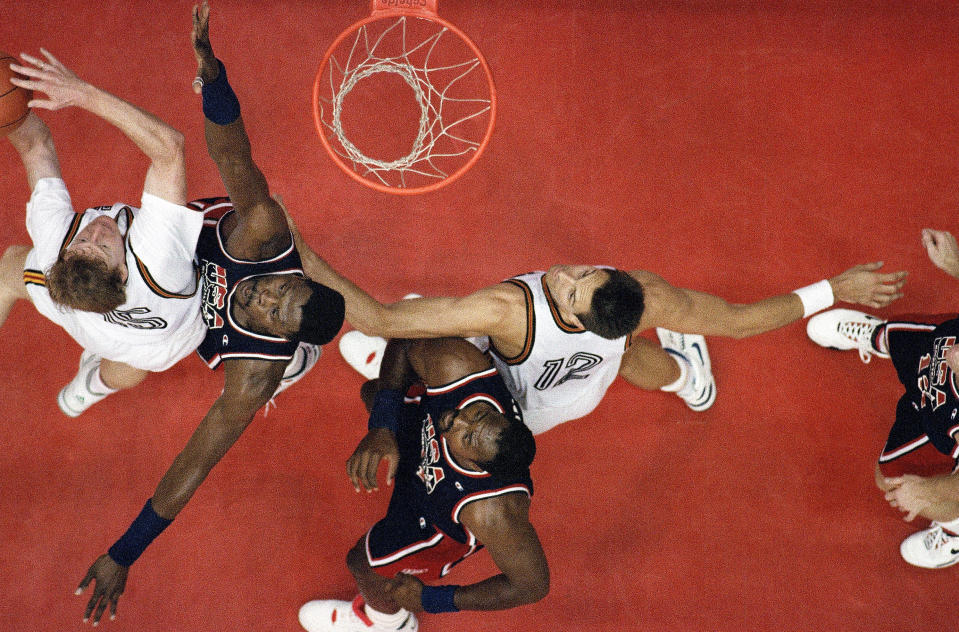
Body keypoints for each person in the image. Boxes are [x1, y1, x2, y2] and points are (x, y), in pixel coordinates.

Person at [73, 3, 345, 625]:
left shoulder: (253, 373)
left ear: (276, 334)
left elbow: (197, 460)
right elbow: (235, 159)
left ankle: (301, 361)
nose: (264, 298)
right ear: (290, 272)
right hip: (173, 247)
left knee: (140, 361)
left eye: (276, 313)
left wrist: (125, 553)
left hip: (198, 326)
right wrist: (214, 78)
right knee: (99, 265)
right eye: (281, 290)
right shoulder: (263, 233)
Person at [291, 223, 907, 434]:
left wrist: (298, 250)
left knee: (417, 317)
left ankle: (688, 379)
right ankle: (691, 381)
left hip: (508, 394)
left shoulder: (508, 308)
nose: (563, 274)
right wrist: (834, 288)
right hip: (575, 389)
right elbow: (739, 322)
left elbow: (376, 316)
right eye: (582, 273)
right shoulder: (642, 298)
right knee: (624, 358)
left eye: (570, 289)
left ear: (583, 311)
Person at [1, 50, 207, 417]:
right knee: (132, 365)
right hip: (167, 338)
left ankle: (89, 387)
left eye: (83, 240)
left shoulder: (54, 246)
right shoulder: (156, 262)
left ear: (63, 257)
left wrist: (7, 111)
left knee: (9, 268)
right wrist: (82, 93)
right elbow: (169, 149)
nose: (96, 230)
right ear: (123, 271)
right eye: (101, 245)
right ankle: (90, 387)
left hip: (87, 320)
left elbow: (33, 144)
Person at [298, 336, 548, 632]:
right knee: (375, 392)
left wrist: (431, 599)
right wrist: (381, 426)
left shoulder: (491, 512)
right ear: (495, 411)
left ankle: (388, 623)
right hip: (422, 436)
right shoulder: (460, 367)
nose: (457, 420)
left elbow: (531, 586)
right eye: (477, 414)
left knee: (363, 563)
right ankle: (415, 375)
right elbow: (404, 342)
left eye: (466, 438)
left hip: (433, 518)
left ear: (481, 469)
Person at [807, 228, 959, 569]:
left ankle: (955, 531)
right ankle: (877, 337)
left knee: (889, 478)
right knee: (906, 334)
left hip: (933, 418)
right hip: (930, 354)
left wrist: (932, 494)